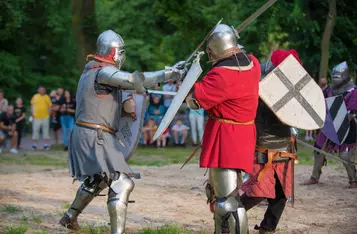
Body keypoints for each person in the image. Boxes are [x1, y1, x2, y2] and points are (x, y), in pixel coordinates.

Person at [59, 29, 186, 233]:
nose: (122, 56)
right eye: (121, 51)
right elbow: (135, 80)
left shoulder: (92, 70)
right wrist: (169, 73)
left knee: (98, 178)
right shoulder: (104, 72)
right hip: (95, 135)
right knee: (122, 182)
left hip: (88, 133)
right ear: (113, 52)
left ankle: (69, 217)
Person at [185, 24, 260, 233]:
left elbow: (194, 101)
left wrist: (183, 79)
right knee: (225, 195)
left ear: (213, 50)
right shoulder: (253, 64)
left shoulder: (221, 75)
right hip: (244, 134)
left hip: (227, 138)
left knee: (227, 201)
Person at [240, 50, 300, 234]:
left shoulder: (292, 86)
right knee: (258, 192)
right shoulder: (260, 86)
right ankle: (228, 217)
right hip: (264, 147)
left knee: (281, 195)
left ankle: (267, 228)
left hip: (285, 147)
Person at [302, 61, 357, 188]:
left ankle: (353, 180)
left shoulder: (353, 91)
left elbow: (352, 112)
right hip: (330, 125)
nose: (335, 78)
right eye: (334, 76)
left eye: (337, 76)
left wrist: (345, 118)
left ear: (344, 75)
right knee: (318, 149)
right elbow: (323, 104)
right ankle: (314, 177)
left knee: (345, 154)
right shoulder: (330, 90)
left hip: (346, 126)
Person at [31, 85, 52, 150]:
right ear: (38, 90)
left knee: (45, 131)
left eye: (43, 89)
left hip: (45, 117)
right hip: (36, 117)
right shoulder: (35, 96)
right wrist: (32, 114)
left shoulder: (47, 97)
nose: (42, 91)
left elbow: (50, 106)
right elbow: (32, 105)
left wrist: (49, 114)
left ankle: (45, 145)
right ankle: (34, 145)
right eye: (41, 89)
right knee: (35, 130)